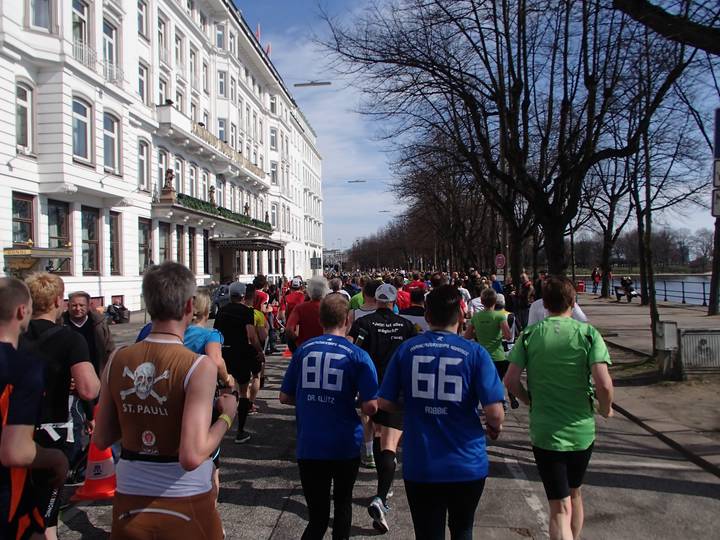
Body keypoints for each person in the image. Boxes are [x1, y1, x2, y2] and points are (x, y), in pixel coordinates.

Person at [94, 262, 237, 540]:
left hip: (129, 500)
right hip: (184, 500)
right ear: (189, 306)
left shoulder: (117, 358)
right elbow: (192, 455)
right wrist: (226, 416)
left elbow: (102, 438)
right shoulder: (199, 366)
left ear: (148, 304)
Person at [379, 285, 505, 540]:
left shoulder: (407, 349)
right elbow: (495, 413)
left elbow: (385, 402)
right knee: (463, 530)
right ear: (461, 315)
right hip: (466, 461)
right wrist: (494, 427)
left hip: (422, 462)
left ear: (427, 316)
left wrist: (413, 404)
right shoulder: (476, 353)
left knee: (427, 533)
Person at [504, 276, 614, 540]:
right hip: (581, 431)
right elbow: (603, 383)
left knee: (558, 508)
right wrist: (605, 408)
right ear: (572, 302)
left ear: (544, 304)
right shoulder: (588, 334)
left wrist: (528, 399)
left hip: (545, 431)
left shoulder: (530, 335)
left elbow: (510, 380)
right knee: (575, 493)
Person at [279, 294, 378, 540]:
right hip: (344, 443)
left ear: (321, 320)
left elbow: (284, 396)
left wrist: (309, 399)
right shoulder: (358, 355)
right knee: (343, 505)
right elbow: (370, 406)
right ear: (347, 321)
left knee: (317, 518)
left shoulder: (303, 350)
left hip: (310, 442)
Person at [19, 273, 100, 540]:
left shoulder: (12, 334)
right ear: (58, 301)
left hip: (14, 427)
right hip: (51, 432)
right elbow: (89, 389)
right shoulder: (69, 339)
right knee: (46, 518)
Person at [0, 278, 69, 540]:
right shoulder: (23, 367)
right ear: (22, 311)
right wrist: (55, 458)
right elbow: (15, 451)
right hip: (8, 498)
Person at [347, 284, 416, 533]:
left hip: (371, 385)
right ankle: (381, 497)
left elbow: (353, 349)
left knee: (377, 433)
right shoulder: (406, 325)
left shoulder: (364, 323)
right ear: (394, 302)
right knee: (390, 443)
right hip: (396, 389)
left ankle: (382, 486)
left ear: (375, 300)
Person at [62, 291, 115, 477]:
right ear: (68, 305)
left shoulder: (98, 324)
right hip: (72, 382)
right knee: (76, 423)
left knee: (99, 420)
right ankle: (74, 465)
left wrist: (109, 373)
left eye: (81, 305)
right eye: (74, 305)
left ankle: (98, 462)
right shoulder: (62, 324)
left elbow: (109, 349)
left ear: (89, 305)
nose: (77, 309)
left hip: (97, 378)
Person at [214, 282, 265, 444]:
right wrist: (259, 351)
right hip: (241, 353)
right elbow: (251, 335)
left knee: (224, 392)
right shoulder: (246, 312)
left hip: (225, 353)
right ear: (243, 296)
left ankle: (217, 431)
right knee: (243, 391)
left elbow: (216, 333)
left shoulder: (221, 311)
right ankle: (240, 431)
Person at [464, 288, 517, 410]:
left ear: (482, 302)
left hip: (482, 356)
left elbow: (467, 336)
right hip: (498, 356)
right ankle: (501, 402)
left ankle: (483, 402)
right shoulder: (499, 316)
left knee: (483, 381)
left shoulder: (476, 317)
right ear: (495, 302)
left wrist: (480, 333)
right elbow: (508, 336)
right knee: (498, 381)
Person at [286, 276, 328, 347]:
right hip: (325, 346)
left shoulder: (300, 308)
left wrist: (297, 341)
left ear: (309, 291)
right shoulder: (329, 307)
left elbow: (289, 330)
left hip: (305, 346)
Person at [279, 278, 306, 351]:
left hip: (290, 329)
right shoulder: (305, 297)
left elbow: (281, 315)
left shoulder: (285, 298)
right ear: (301, 287)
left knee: (294, 353)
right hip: (303, 329)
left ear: (290, 287)